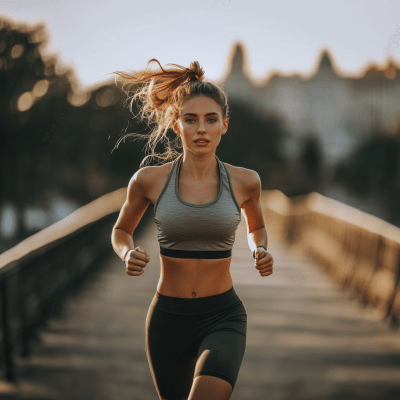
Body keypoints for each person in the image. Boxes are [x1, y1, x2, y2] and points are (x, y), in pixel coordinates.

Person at [110, 59, 274, 400]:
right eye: (191, 119)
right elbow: (121, 231)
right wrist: (127, 253)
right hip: (166, 319)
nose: (201, 129)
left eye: (211, 119)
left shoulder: (246, 181)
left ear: (224, 125)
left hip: (223, 316)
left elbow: (256, 226)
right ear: (176, 123)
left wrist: (259, 248)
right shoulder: (148, 181)